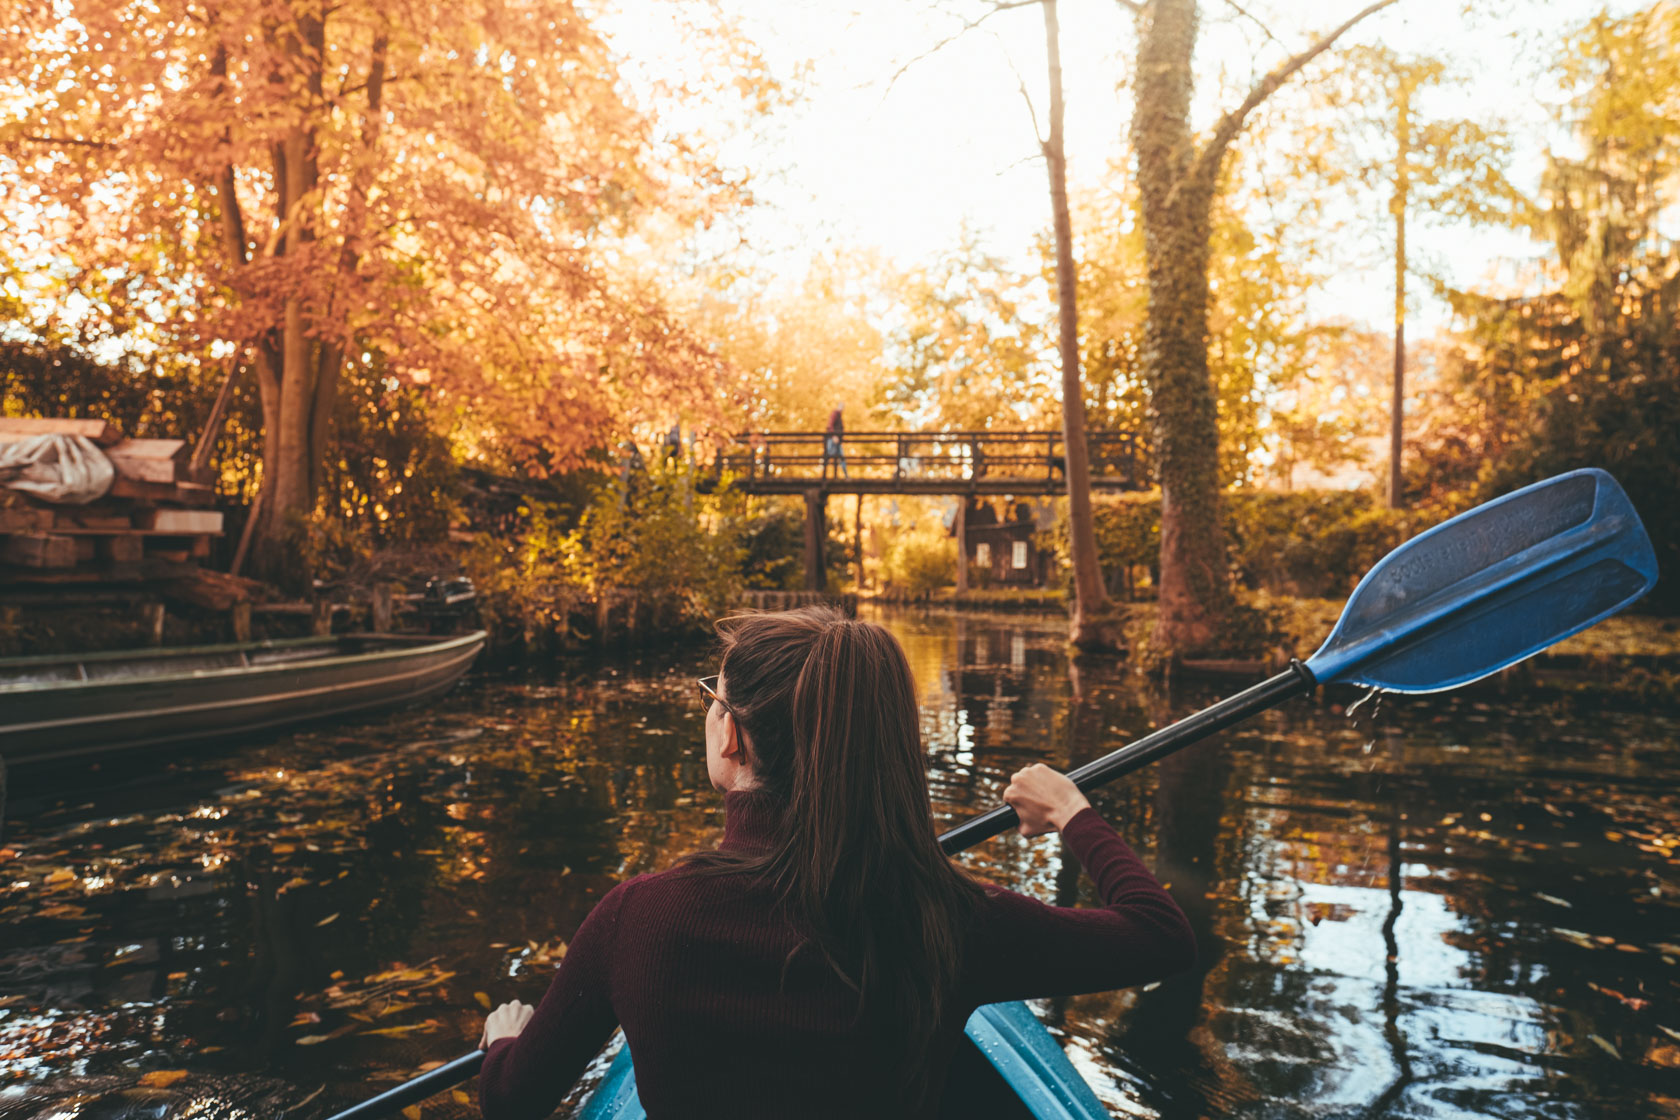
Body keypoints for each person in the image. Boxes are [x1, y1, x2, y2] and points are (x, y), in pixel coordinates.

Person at [477, 608, 1194, 1120]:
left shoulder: (637, 917)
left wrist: (505, 1042)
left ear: (734, 738)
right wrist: (1072, 809)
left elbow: (511, 1100)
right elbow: (1159, 933)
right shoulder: (952, 916)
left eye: (711, 699)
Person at [823, 406, 847, 478]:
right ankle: (824, 474)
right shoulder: (835, 414)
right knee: (830, 454)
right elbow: (830, 425)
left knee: (839, 456)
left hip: (837, 441)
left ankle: (846, 475)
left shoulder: (839, 417)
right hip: (833, 439)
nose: (842, 409)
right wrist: (834, 436)